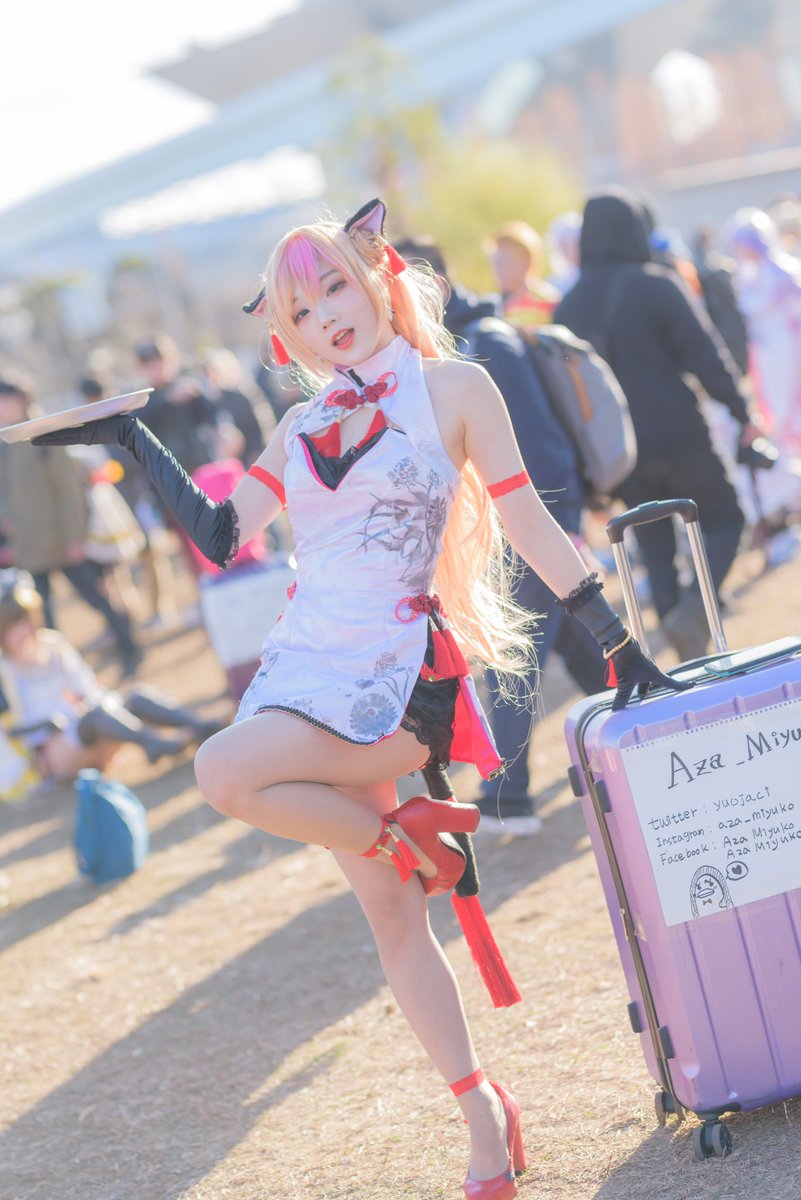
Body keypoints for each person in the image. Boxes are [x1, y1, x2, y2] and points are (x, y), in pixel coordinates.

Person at [31, 198, 689, 1199]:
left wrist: (614, 639)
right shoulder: (299, 423)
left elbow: (525, 521)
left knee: (222, 771)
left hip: (397, 678)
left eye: (335, 285)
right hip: (304, 669)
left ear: (376, 276)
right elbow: (222, 536)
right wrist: (132, 434)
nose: (326, 316)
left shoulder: (453, 386)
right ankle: (482, 1110)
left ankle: (408, 835)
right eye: (302, 309)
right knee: (391, 918)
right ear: (285, 334)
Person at [394, 235, 607, 836]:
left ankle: (507, 796)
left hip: (528, 529)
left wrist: (558, 531)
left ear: (434, 286)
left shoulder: (488, 346)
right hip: (499, 535)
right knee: (573, 646)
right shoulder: (441, 355)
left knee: (513, 652)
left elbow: (544, 449)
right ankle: (644, 728)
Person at [555, 188, 762, 663]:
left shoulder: (568, 309)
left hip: (620, 451)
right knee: (726, 518)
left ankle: (690, 658)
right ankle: (693, 612)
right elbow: (706, 357)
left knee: (654, 546)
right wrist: (742, 413)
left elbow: (567, 396)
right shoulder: (657, 284)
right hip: (680, 432)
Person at [0, 582, 219, 785]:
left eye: (24, 622)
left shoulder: (52, 644)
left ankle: (198, 727)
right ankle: (153, 743)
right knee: (95, 716)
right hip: (51, 747)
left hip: (84, 721)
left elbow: (83, 682)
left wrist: (95, 701)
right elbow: (12, 725)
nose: (21, 631)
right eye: (12, 628)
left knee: (133, 697)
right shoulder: (5, 668)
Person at [0, 374, 142, 676]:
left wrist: (75, 538)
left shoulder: (46, 431)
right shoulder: (6, 441)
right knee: (42, 616)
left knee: (96, 598)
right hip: (30, 545)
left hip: (62, 540)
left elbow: (68, 491)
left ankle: (129, 647)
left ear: (20, 400)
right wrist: (8, 527)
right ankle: (56, 673)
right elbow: (6, 492)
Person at [484, 221, 560, 330]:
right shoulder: (494, 306)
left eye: (504, 262)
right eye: (494, 263)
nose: (497, 271)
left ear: (526, 260)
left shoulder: (551, 303)